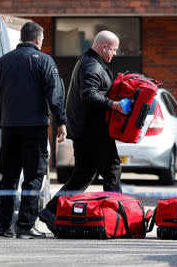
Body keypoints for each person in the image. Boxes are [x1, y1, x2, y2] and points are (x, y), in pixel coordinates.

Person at [39, 30, 125, 230]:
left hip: (85, 130)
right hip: (92, 131)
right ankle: (117, 216)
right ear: (104, 47)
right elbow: (89, 96)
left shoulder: (89, 62)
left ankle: (51, 210)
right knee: (112, 169)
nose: (115, 54)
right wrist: (114, 105)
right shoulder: (92, 66)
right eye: (113, 49)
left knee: (84, 175)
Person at [0, 21, 67, 239]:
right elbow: (55, 94)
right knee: (34, 176)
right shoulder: (44, 60)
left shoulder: (3, 62)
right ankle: (25, 226)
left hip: (9, 127)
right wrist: (61, 121)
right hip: (34, 127)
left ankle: (3, 225)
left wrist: (0, 121)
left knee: (9, 177)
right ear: (38, 39)